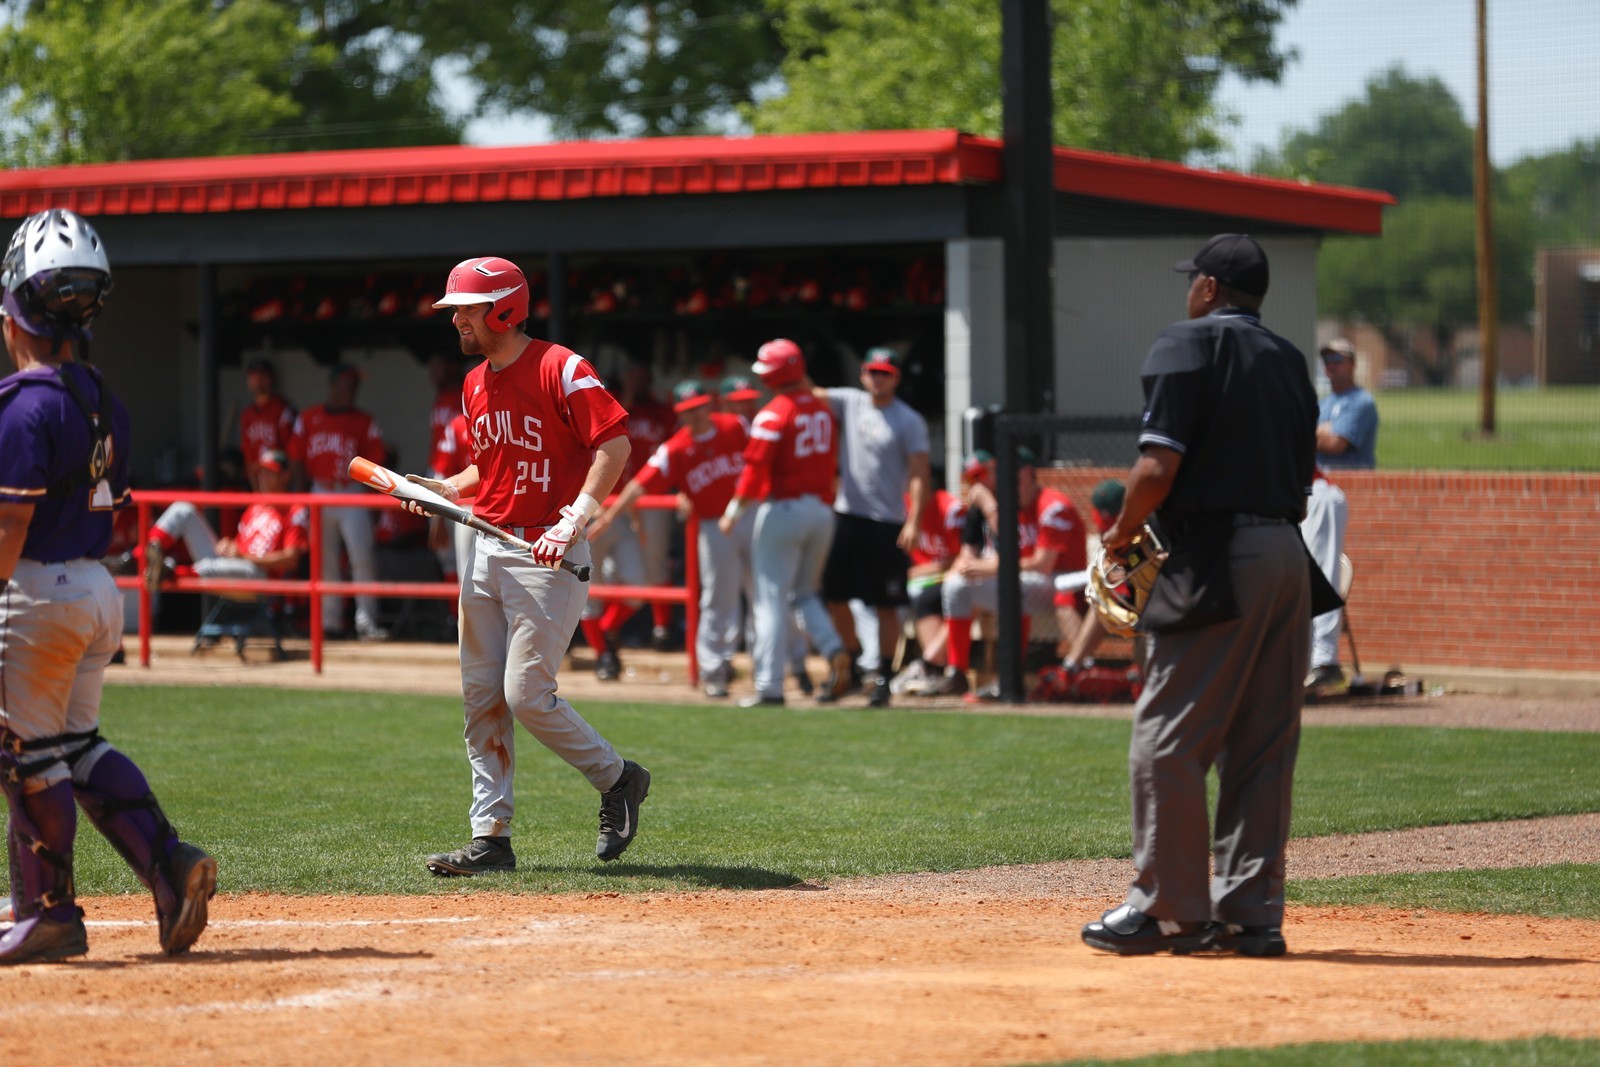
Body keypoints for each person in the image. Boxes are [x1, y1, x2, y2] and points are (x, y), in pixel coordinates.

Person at [1080, 233, 1322, 958]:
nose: (1189, 291)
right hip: (1288, 555)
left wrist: (1121, 535)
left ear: (1210, 288)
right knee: (1263, 742)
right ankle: (1253, 915)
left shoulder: (1187, 343)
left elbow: (1156, 467)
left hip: (1222, 555)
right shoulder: (1289, 359)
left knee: (1168, 738)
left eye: (1194, 280)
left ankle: (1168, 910)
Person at [0, 207, 215, 964]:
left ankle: (50, 912)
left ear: (17, 308)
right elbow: (117, 517)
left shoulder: (25, 406)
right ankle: (167, 860)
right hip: (95, 588)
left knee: (24, 753)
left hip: (37, 590)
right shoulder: (101, 398)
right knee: (76, 741)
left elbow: (8, 530)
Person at [406, 255, 650, 875]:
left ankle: (618, 778)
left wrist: (575, 520)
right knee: (481, 698)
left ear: (503, 310)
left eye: (465, 308)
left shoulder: (560, 367)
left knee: (526, 694)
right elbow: (489, 468)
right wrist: (443, 489)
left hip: (549, 552)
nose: (456, 319)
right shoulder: (474, 383)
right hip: (486, 545)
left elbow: (615, 444)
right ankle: (490, 838)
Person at [717, 338, 853, 707]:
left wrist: (732, 513)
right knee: (804, 593)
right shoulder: (824, 410)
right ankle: (832, 645)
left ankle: (770, 687)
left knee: (770, 600)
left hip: (784, 511)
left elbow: (754, 470)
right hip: (822, 512)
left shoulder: (774, 412)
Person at [590, 380, 748, 698]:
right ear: (679, 413)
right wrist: (609, 515)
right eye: (688, 410)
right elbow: (640, 483)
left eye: (700, 406)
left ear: (710, 404)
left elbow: (764, 461)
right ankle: (714, 668)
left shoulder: (735, 426)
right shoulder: (676, 446)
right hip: (713, 525)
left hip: (750, 517)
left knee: (765, 598)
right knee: (719, 598)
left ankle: (778, 671)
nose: (697, 414)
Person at [817, 347, 932, 707]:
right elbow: (807, 391)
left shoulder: (909, 419)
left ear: (896, 378)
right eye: (871, 371)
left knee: (886, 604)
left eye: (885, 372)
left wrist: (913, 521)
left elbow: (920, 475)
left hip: (887, 522)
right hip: (848, 516)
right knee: (835, 597)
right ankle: (849, 667)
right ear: (863, 374)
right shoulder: (850, 401)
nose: (877, 378)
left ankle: (882, 675)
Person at [932, 448, 1088, 698]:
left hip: (1064, 582)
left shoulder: (1053, 505)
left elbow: (1042, 563)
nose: (1010, 481)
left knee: (1016, 585)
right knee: (955, 587)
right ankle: (956, 672)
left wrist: (985, 568)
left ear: (1029, 473)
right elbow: (999, 554)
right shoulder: (1011, 505)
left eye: (1016, 474)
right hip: (1028, 579)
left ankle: (1009, 676)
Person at [288, 362, 388, 640]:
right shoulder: (308, 418)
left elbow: (377, 463)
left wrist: (374, 502)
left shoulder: (364, 421)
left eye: (354, 385)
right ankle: (329, 621)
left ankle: (366, 621)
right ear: (333, 386)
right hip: (319, 491)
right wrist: (300, 499)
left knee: (362, 557)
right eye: (346, 384)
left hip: (351, 493)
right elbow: (296, 460)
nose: (351, 390)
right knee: (324, 561)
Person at [144, 448, 309, 590]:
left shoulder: (295, 509)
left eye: (270, 473)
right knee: (183, 509)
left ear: (285, 476)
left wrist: (243, 556)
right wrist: (227, 545)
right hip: (233, 564)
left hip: (260, 573)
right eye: (261, 473)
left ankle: (165, 574)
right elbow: (239, 544)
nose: (263, 478)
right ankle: (142, 555)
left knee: (209, 567)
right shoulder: (255, 506)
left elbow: (290, 560)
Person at [616, 360, 681, 652]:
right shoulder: (613, 407)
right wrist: (626, 396)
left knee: (654, 563)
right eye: (632, 375)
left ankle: (661, 628)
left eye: (642, 376)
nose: (637, 381)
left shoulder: (661, 413)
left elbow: (679, 454)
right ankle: (606, 629)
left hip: (651, 496)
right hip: (614, 500)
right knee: (609, 571)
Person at [1301, 467, 1350, 696]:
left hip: (1315, 497)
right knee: (1304, 580)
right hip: (1304, 497)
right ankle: (1314, 663)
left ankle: (1324, 662)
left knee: (1318, 579)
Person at [1315, 339, 1378, 470]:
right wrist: (1321, 432)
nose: (1331, 364)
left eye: (1337, 359)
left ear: (1352, 364)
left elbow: (1334, 444)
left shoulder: (1361, 401)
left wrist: (1307, 433)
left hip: (1351, 484)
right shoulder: (1323, 403)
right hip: (1322, 483)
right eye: (1326, 359)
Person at [238, 356, 296, 483]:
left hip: (277, 478)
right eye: (254, 376)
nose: (258, 380)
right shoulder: (247, 415)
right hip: (256, 478)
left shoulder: (283, 410)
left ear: (271, 379)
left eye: (262, 376)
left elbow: (292, 454)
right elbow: (248, 457)